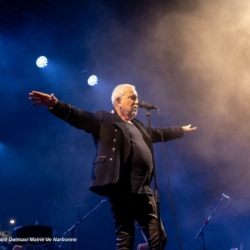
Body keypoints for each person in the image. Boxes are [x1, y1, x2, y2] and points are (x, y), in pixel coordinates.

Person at [29, 84, 197, 250]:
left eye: (137, 99)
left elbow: (159, 132)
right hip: (121, 188)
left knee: (159, 239)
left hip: (144, 189)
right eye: (132, 98)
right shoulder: (104, 120)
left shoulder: (138, 125)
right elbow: (80, 117)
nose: (136, 102)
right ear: (118, 101)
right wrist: (57, 105)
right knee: (125, 237)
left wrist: (180, 130)